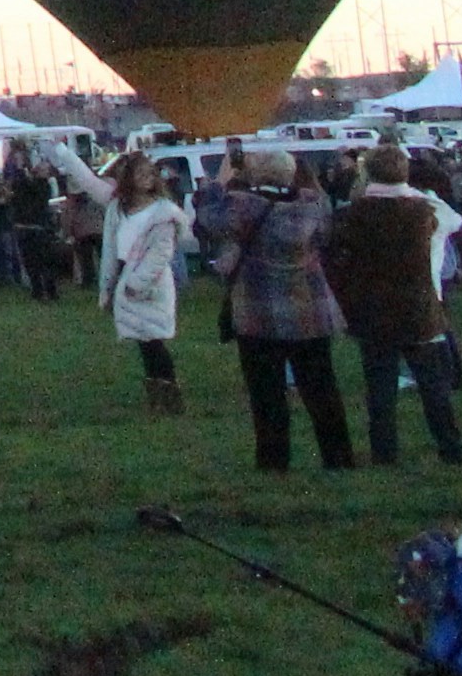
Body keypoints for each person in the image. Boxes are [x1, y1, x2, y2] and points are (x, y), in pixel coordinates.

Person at [200, 147, 356, 475]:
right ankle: (339, 457)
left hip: (260, 310)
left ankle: (274, 462)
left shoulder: (243, 205)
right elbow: (325, 239)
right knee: (322, 389)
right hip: (309, 309)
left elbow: (208, 220)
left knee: (267, 393)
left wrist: (218, 183)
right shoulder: (314, 204)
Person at [333, 146, 462, 469]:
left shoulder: (353, 213)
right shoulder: (426, 209)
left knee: (380, 386)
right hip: (419, 306)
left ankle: (384, 452)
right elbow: (456, 221)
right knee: (433, 385)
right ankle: (450, 448)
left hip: (373, 308)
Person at [97, 151, 189, 419]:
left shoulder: (163, 212)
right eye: (141, 174)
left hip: (151, 283)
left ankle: (169, 394)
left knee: (154, 340)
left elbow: (160, 254)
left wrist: (138, 283)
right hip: (127, 277)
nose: (148, 178)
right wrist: (108, 287)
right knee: (142, 341)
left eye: (151, 174)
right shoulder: (119, 209)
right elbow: (111, 249)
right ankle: (156, 395)